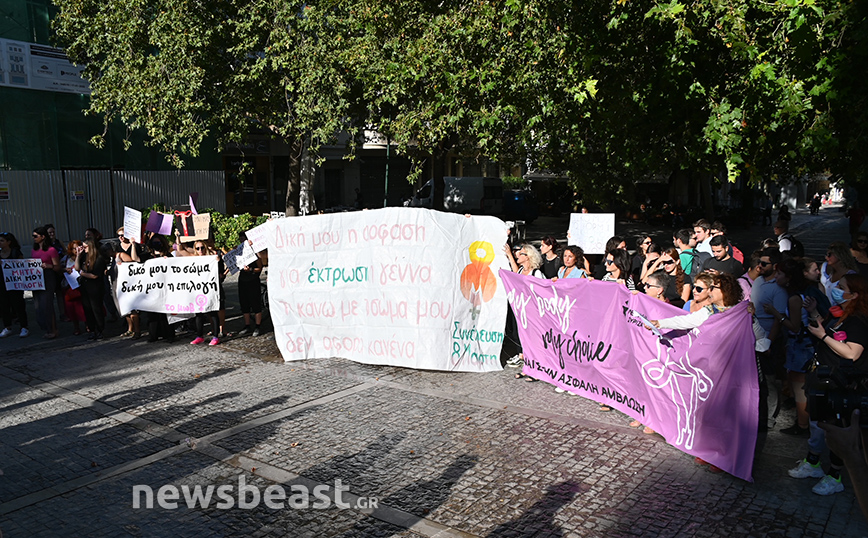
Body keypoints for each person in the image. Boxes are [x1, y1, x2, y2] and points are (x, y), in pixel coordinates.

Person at [791, 274, 868, 495]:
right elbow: (833, 332)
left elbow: (852, 353)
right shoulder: (843, 314)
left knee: (837, 429)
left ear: (854, 294)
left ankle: (835, 476)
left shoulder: (858, 320)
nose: (835, 289)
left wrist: (823, 337)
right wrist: (815, 313)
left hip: (842, 384)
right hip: (824, 379)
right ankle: (813, 463)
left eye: (841, 287)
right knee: (819, 426)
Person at [761, 258, 815, 436]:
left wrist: (776, 314)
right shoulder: (792, 294)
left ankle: (802, 425)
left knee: (800, 389)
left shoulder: (794, 298)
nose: (777, 276)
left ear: (789, 277)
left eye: (780, 273)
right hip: (795, 345)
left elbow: (795, 326)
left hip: (800, 346)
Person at [503, 243, 544, 374]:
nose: (517, 255)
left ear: (528, 257)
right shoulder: (521, 271)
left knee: (531, 336)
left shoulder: (536, 273)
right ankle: (522, 356)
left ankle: (533, 361)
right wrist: (509, 254)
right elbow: (515, 274)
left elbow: (542, 292)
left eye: (521, 254)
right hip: (519, 309)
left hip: (531, 311)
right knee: (517, 332)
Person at [114, 226, 148, 339]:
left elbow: (135, 259)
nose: (121, 238)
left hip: (134, 278)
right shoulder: (118, 247)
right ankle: (130, 328)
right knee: (126, 305)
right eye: (119, 236)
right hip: (122, 279)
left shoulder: (135, 246)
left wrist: (133, 244)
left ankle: (137, 330)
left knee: (134, 306)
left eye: (123, 235)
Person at [189, 240, 223, 346]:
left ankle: (216, 336)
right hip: (198, 289)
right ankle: (199, 336)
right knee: (198, 313)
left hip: (210, 289)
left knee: (212, 312)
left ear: (205, 248)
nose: (200, 250)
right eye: (198, 248)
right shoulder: (193, 260)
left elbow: (221, 273)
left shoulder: (213, 259)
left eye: (202, 248)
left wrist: (218, 261)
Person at [144, 234, 176, 343]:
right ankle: (154, 335)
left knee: (165, 313)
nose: (156, 245)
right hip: (152, 288)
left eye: (158, 242)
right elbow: (135, 260)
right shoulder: (147, 256)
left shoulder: (168, 255)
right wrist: (133, 245)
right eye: (154, 242)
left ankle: (169, 335)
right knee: (152, 313)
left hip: (165, 288)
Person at [75, 239, 108, 340]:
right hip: (85, 287)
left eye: (85, 247)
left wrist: (82, 273)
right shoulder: (84, 256)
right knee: (87, 309)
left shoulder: (99, 258)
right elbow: (76, 268)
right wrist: (78, 255)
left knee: (96, 309)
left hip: (95, 287)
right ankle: (92, 329)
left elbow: (95, 276)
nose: (83, 249)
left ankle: (100, 329)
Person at [31, 226, 61, 339]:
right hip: (36, 278)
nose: (33, 238)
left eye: (35, 236)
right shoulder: (34, 250)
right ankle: (46, 327)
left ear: (43, 237)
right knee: (38, 305)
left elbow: (58, 267)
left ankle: (53, 329)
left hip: (48, 277)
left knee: (47, 304)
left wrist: (49, 266)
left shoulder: (51, 250)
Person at [0, 232, 29, 338]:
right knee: (4, 306)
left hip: (15, 284)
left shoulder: (15, 252)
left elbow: (22, 267)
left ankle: (24, 327)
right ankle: (7, 327)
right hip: (2, 284)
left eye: (2, 241)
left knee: (18, 305)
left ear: (9, 242)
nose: (0, 243)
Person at [236, 232, 264, 337]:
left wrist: (251, 270)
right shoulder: (239, 252)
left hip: (253, 280)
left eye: (244, 240)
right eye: (241, 241)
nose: (242, 243)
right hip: (242, 281)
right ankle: (247, 325)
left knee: (256, 304)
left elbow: (260, 268)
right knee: (244, 304)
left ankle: (258, 326)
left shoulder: (255, 252)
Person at [821, 242, 858, 307]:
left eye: (829, 255)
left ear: (839, 255)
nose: (826, 257)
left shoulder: (851, 275)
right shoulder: (830, 272)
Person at [63, 240, 86, 336]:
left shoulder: (85, 257)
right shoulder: (66, 259)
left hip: (83, 285)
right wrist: (65, 269)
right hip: (71, 286)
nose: (76, 250)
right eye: (74, 248)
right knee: (72, 308)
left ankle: (87, 325)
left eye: (78, 247)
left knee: (84, 307)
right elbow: (59, 268)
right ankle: (76, 327)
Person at [45, 224, 67, 321]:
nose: (52, 234)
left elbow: (66, 253)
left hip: (60, 270)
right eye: (50, 232)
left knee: (60, 293)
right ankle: (50, 316)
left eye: (53, 232)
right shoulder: (45, 245)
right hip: (50, 271)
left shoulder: (59, 242)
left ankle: (63, 314)